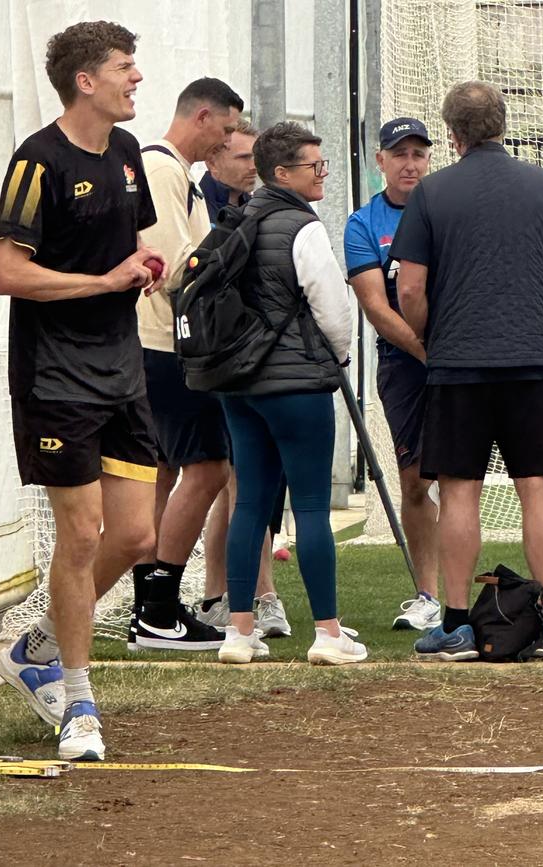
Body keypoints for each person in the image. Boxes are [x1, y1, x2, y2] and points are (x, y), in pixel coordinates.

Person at [0, 21, 166, 761]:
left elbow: (137, 246)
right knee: (84, 533)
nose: (138, 79)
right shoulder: (38, 160)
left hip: (121, 370)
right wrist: (100, 282)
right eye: (127, 68)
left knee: (135, 537)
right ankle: (79, 703)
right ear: (86, 82)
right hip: (55, 377)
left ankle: (37, 642)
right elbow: (5, 273)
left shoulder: (127, 154)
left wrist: (148, 266)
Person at [393, 81, 543, 660]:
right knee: (538, 489)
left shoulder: (431, 192)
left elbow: (409, 286)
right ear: (503, 124)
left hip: (458, 366)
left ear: (451, 135)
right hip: (532, 363)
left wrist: (433, 336)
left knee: (459, 493)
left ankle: (455, 624)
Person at [216, 121, 368, 665]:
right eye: (314, 166)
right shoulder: (302, 227)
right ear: (282, 172)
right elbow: (331, 306)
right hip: (297, 383)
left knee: (250, 502)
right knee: (309, 505)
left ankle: (238, 632)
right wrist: (339, 356)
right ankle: (327, 633)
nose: (322, 173)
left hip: (237, 382)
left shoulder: (237, 218)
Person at [130, 78, 243, 651]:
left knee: (166, 472)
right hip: (164, 345)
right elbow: (174, 268)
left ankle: (149, 606)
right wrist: (236, 251)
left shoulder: (184, 179)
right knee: (207, 469)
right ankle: (159, 604)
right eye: (224, 131)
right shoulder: (161, 170)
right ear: (202, 117)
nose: (224, 144)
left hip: (164, 345)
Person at [195, 119, 291, 638]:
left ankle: (218, 594)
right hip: (220, 364)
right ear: (215, 160)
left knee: (241, 486)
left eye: (257, 159)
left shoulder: (260, 204)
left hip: (253, 360)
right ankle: (257, 595)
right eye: (242, 158)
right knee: (240, 483)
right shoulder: (206, 207)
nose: (251, 168)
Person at [344, 117, 441, 631]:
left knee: (467, 479)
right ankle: (428, 594)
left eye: (418, 154)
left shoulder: (448, 208)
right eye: (399, 154)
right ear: (379, 160)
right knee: (415, 481)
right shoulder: (364, 223)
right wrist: (429, 352)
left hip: (465, 361)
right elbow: (376, 309)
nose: (410, 163)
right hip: (407, 364)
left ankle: (502, 599)